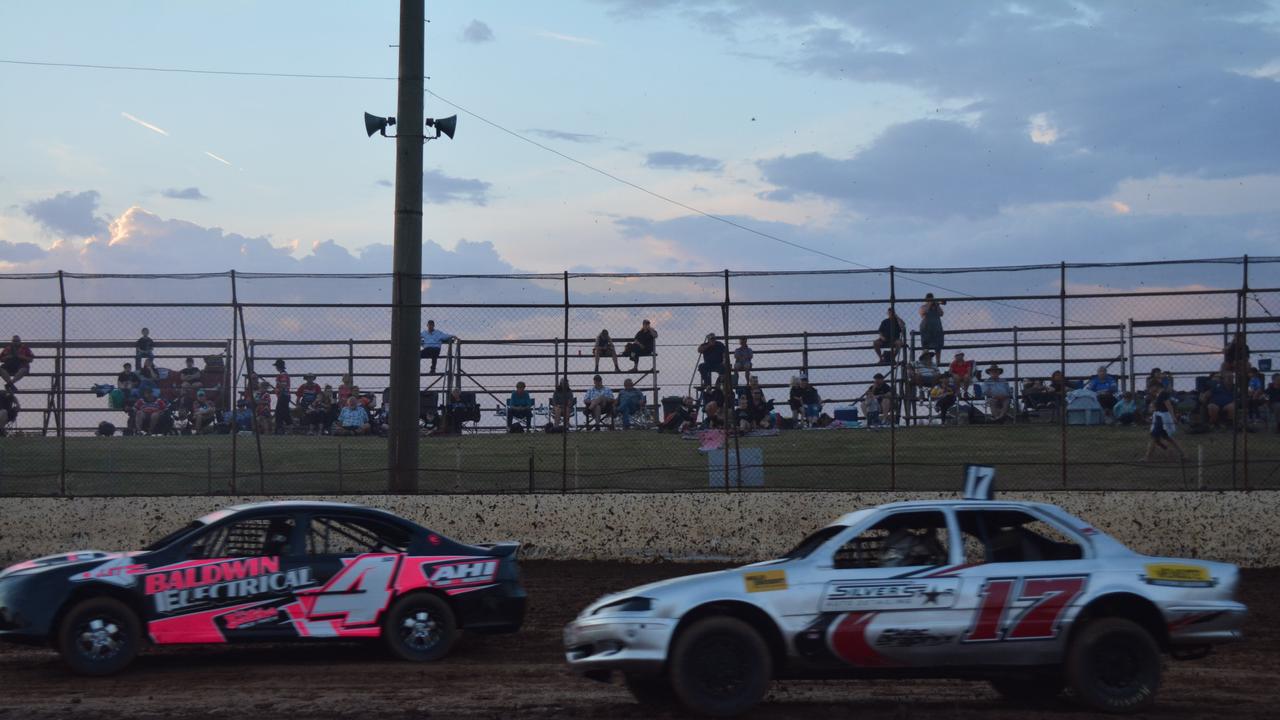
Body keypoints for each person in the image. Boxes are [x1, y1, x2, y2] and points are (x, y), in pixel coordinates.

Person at [1144, 378, 1185, 462]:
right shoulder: (1158, 394)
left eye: (1151, 387)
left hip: (1162, 418)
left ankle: (1147, 457)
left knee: (1154, 437)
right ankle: (1182, 454)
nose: (1150, 390)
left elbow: (1169, 406)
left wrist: (1173, 417)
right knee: (1167, 437)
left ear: (1155, 386)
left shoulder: (1163, 394)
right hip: (1159, 417)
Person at [272, 359, 291, 434]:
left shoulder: (282, 374)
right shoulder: (284, 374)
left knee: (279, 413)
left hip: (283, 395)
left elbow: (284, 385)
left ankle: (279, 429)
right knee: (285, 412)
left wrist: (277, 382)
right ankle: (287, 428)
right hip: (284, 395)